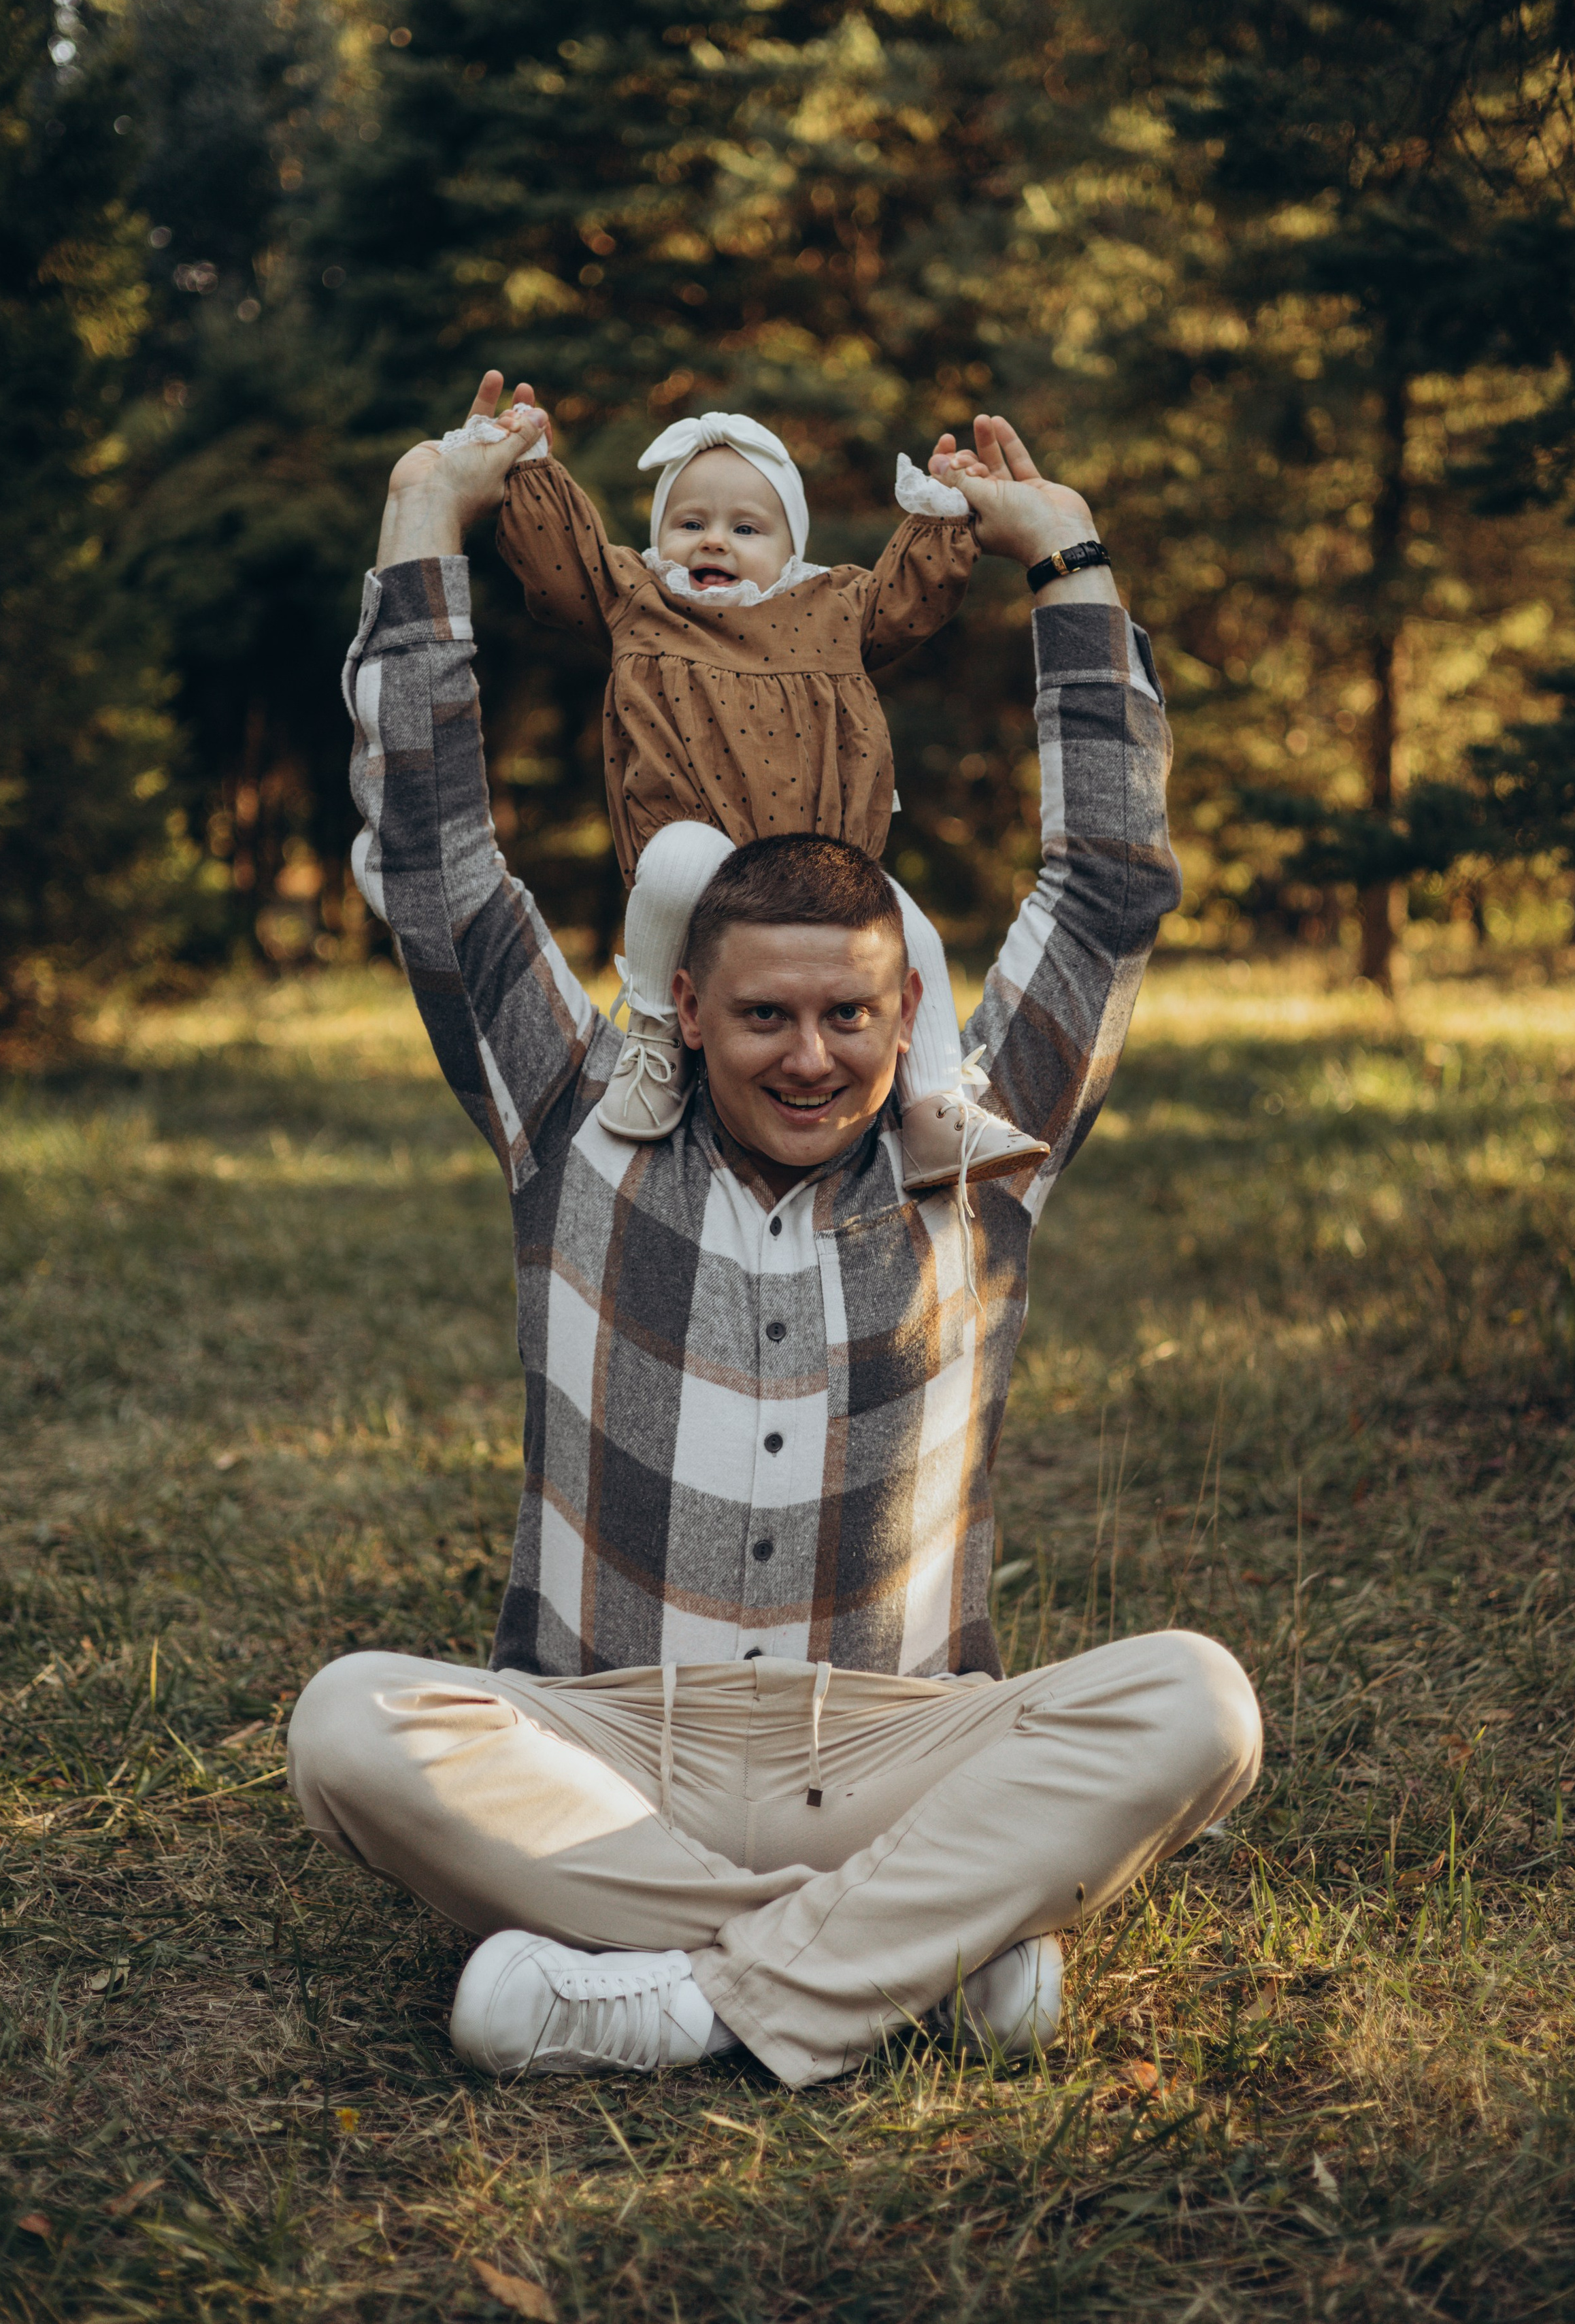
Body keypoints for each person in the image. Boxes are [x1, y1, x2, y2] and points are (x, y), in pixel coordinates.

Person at [286, 382, 1262, 2090]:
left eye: (846, 1017)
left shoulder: (978, 1153)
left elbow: (1106, 888)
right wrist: (422, 517)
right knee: (347, 1724)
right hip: (609, 1745)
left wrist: (1067, 561)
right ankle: (909, 1951)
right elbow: (436, 868)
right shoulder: (575, 1122)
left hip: (892, 1745)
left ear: (905, 1013)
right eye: (762, 1017)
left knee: (1198, 1704)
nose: (809, 1059)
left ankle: (678, 1988)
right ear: (686, 1003)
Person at [476, 378, 1046, 1195]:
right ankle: (653, 1042)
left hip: (824, 867)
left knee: (906, 928)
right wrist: (526, 465)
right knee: (677, 857)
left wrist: (944, 515)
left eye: (746, 528)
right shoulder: (639, 597)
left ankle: (934, 1106)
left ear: (791, 548)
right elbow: (561, 562)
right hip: (698, 852)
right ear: (659, 537)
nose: (713, 540)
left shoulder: (833, 606)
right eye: (689, 523)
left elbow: (909, 601)